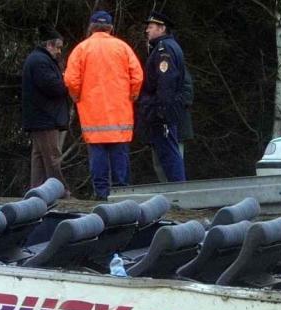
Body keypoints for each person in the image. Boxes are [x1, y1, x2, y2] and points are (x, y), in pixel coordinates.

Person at [64, 10, 144, 200]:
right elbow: (138, 76)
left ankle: (101, 194)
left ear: (91, 27)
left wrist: (76, 97)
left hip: (93, 115)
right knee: (119, 155)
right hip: (120, 115)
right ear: (110, 28)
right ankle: (122, 194)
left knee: (97, 155)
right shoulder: (123, 48)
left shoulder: (81, 49)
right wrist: (131, 96)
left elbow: (71, 80)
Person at [139, 10, 188, 182]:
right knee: (168, 154)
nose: (147, 30)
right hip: (166, 109)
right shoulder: (169, 46)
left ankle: (178, 193)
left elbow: (166, 81)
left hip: (163, 111)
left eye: (151, 27)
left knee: (169, 156)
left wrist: (161, 111)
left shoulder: (163, 49)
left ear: (162, 28)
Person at [21, 29, 71, 194]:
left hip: (39, 116)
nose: (59, 51)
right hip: (45, 117)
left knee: (39, 157)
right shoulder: (40, 61)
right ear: (49, 44)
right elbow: (53, 87)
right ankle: (61, 191)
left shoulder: (37, 59)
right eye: (57, 47)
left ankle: (37, 191)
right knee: (52, 157)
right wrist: (67, 82)